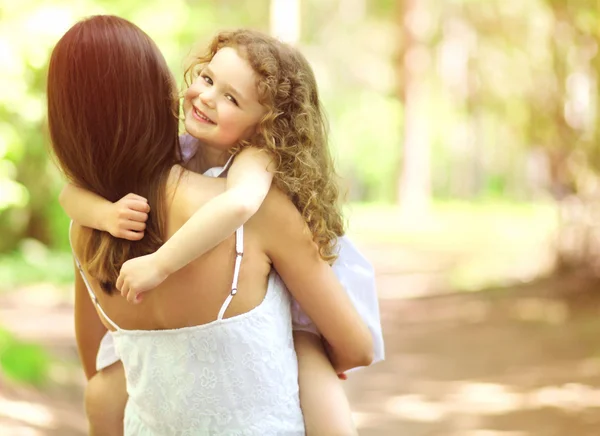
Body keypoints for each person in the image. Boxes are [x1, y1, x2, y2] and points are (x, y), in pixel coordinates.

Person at [47, 15, 373, 435]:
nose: (205, 97)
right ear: (158, 89)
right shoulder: (256, 211)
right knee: (309, 352)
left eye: (232, 98)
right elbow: (356, 348)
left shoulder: (87, 233)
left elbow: (99, 368)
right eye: (205, 78)